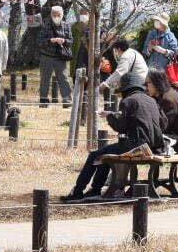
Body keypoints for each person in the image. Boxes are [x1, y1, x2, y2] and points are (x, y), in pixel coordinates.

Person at [60, 69, 164, 203]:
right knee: (106, 154)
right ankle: (95, 188)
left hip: (136, 145)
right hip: (155, 145)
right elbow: (160, 122)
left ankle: (78, 190)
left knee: (94, 155)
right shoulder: (150, 100)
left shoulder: (128, 101)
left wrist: (110, 116)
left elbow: (120, 127)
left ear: (126, 89)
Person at [145, 69, 178, 155]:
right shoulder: (166, 95)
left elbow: (162, 127)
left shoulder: (168, 100)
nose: (146, 87)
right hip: (176, 140)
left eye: (147, 83)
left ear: (156, 83)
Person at [37, 5, 72, 108]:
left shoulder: (66, 26)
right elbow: (40, 40)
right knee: (44, 79)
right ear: (51, 15)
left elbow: (70, 41)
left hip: (61, 56)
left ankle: (67, 100)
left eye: (58, 15)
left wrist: (64, 41)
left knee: (63, 78)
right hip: (46, 56)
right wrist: (50, 40)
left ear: (62, 15)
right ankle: (43, 100)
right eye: (54, 15)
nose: (56, 17)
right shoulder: (45, 24)